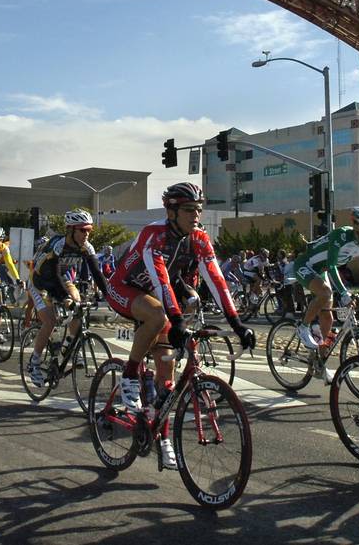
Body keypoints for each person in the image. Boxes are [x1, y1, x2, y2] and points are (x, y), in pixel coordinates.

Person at [106, 183, 254, 470]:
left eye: (198, 209)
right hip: (125, 288)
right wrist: (174, 320)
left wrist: (237, 325)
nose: (195, 215)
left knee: (167, 378)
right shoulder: (155, 234)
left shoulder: (199, 237)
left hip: (156, 298)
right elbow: (160, 280)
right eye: (188, 210)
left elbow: (216, 280)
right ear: (171, 211)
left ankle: (162, 438)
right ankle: (129, 375)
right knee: (158, 314)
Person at [26, 210, 110, 387]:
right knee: (49, 321)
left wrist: (110, 296)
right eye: (82, 230)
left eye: (88, 230)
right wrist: (65, 299)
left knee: (78, 306)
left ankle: (70, 347)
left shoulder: (87, 246)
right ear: (71, 230)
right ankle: (34, 362)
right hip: (40, 281)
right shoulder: (57, 245)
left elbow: (97, 273)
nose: (86, 234)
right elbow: (52, 275)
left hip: (61, 279)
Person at [292, 207, 359, 350]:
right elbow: (331, 266)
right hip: (305, 265)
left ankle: (319, 363)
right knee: (325, 293)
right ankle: (303, 327)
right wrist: (343, 293)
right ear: (356, 226)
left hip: (321, 270)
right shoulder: (341, 235)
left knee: (328, 318)